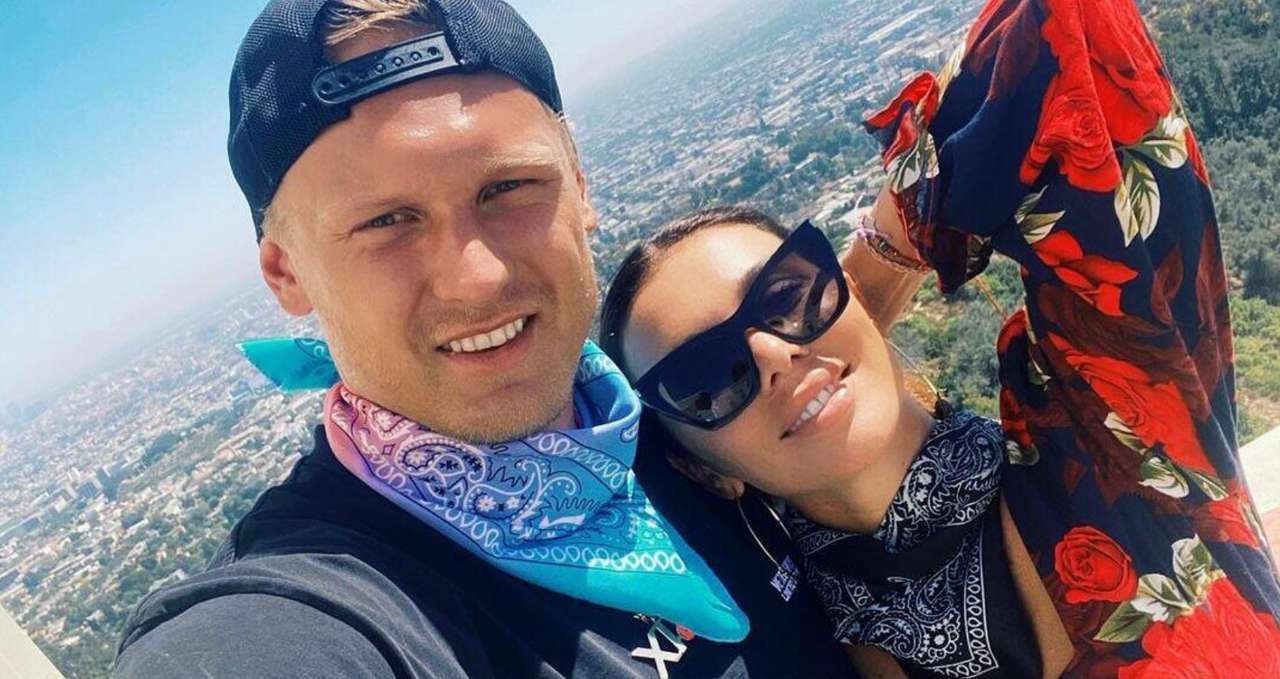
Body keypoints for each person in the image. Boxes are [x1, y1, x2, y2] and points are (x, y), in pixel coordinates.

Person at [112, 1, 855, 677]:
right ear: (287, 273)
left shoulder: (685, 406)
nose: (476, 277)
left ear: (579, 187)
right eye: (386, 222)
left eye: (506, 188)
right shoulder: (319, 607)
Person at [599, 0, 1280, 676]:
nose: (775, 354)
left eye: (787, 293)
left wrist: (877, 268)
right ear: (701, 467)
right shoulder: (800, 656)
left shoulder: (1119, 428)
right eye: (707, 377)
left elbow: (1069, 26)